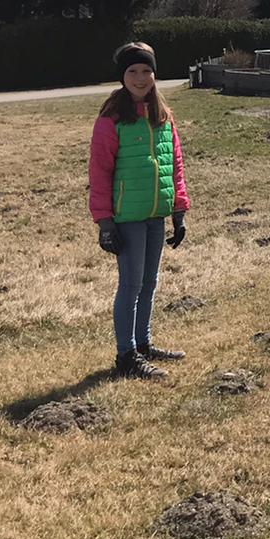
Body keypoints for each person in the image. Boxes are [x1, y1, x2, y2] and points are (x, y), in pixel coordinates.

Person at [88, 41, 190, 380]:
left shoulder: (163, 116)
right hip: (127, 217)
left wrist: (179, 210)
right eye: (133, 71)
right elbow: (100, 172)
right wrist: (105, 222)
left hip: (155, 214)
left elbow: (175, 164)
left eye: (146, 70)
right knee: (130, 285)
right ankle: (126, 355)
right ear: (122, 76)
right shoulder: (111, 119)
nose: (140, 78)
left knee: (149, 283)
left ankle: (143, 343)